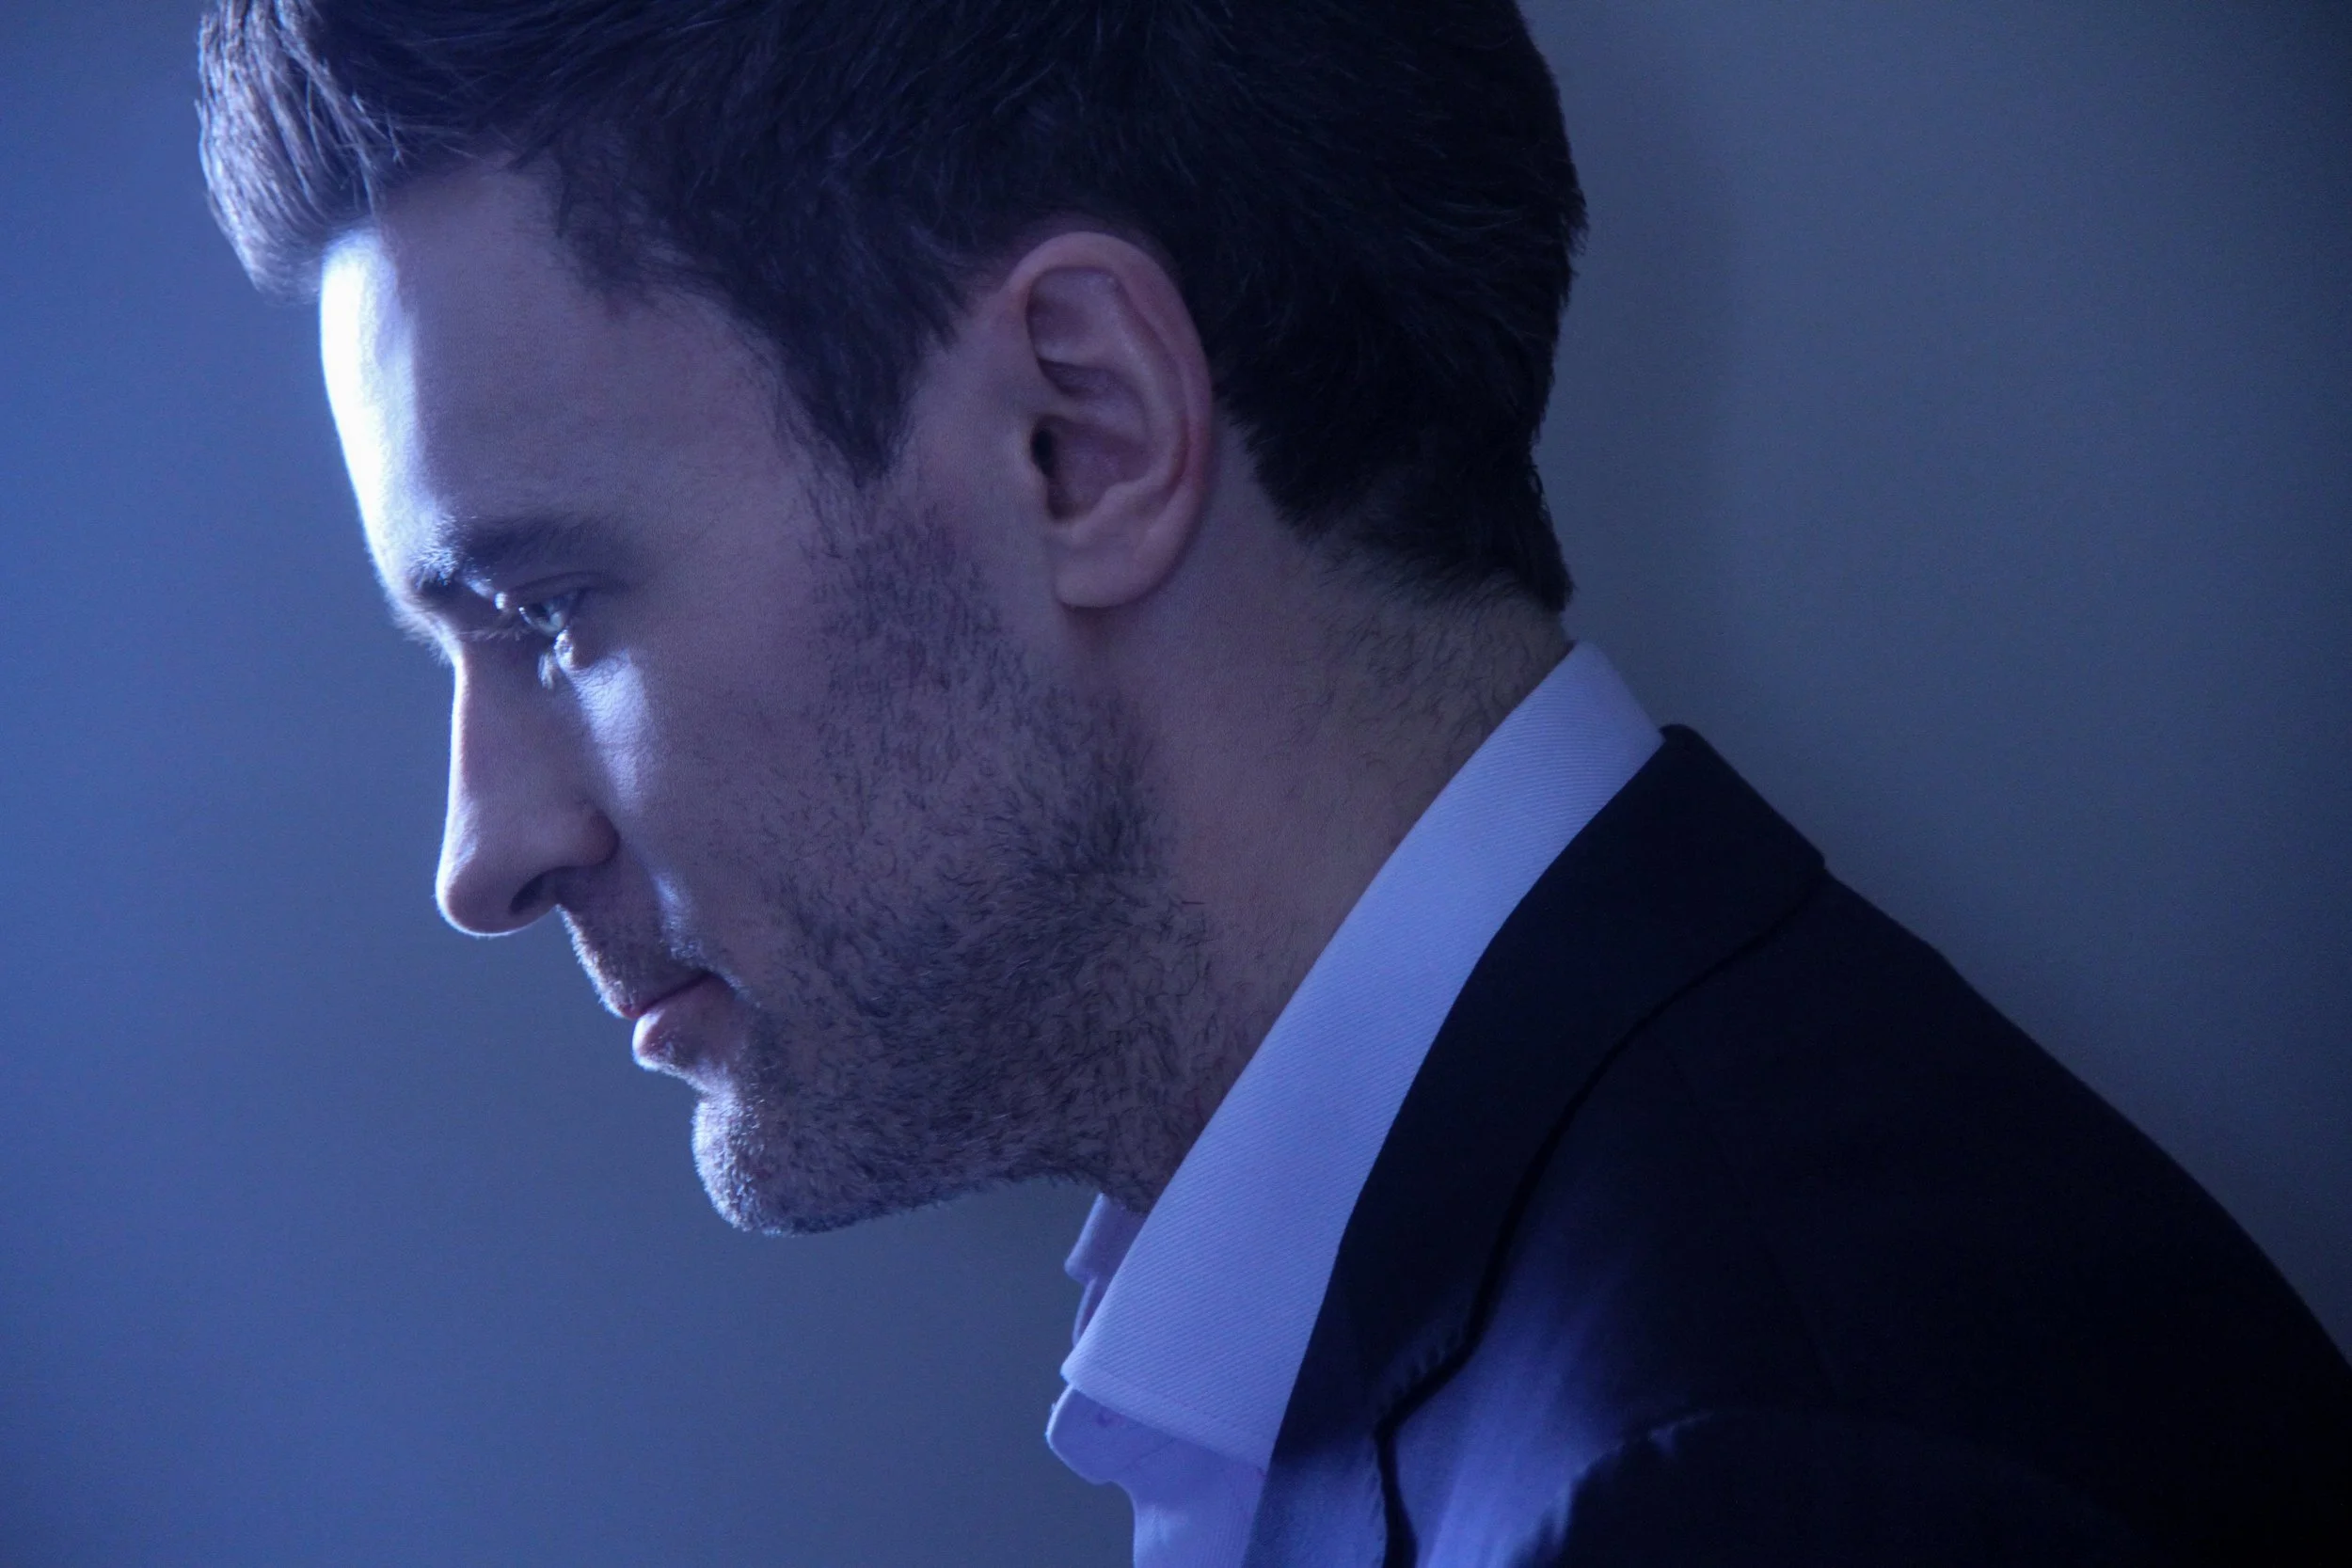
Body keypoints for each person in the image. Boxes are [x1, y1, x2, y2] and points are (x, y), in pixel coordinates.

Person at [195, 2, 2352, 1562]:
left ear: (1083, 432)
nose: (485, 850)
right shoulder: (1469, 1333)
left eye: (550, 610)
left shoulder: (1754, 1487)